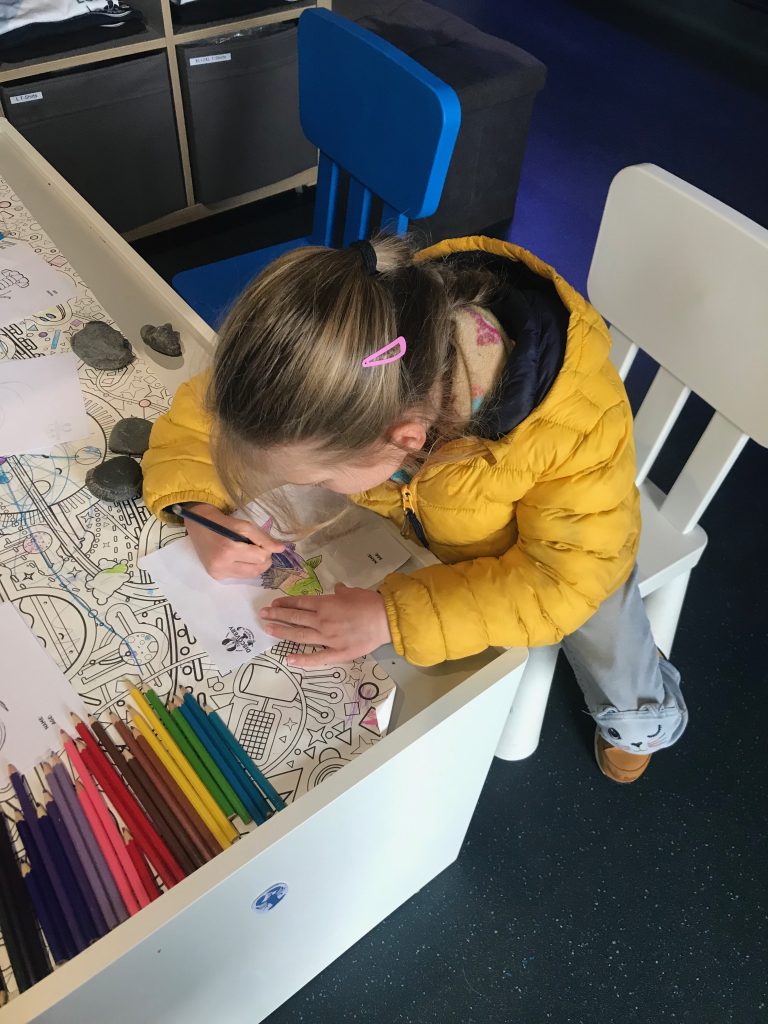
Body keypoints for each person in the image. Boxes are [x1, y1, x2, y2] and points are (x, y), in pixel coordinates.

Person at [142, 234, 687, 784]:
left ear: (404, 440)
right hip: (425, 532)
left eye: (320, 476)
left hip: (560, 552)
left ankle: (647, 714)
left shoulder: (573, 422)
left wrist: (390, 616)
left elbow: (564, 582)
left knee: (604, 622)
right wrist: (196, 505)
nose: (301, 486)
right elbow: (210, 413)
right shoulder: (339, 356)